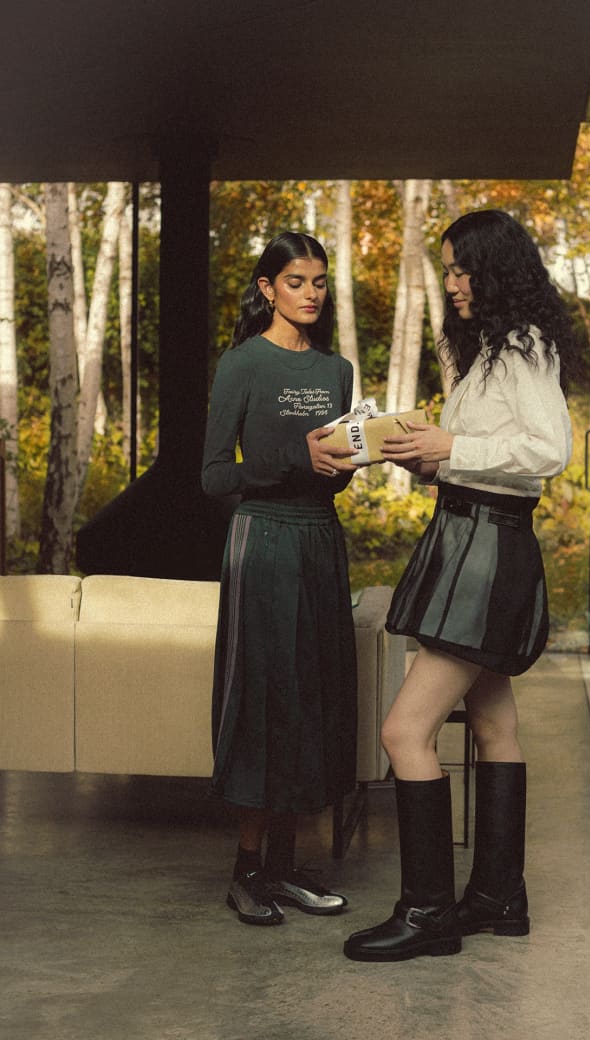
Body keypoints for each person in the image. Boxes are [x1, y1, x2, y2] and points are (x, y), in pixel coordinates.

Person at [343, 209, 576, 962]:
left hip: (486, 550)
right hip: (472, 536)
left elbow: (548, 450)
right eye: (448, 269)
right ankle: (499, 899)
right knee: (492, 728)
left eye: (459, 268)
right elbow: (490, 454)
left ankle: (427, 914)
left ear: (493, 268)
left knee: (403, 732)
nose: (451, 283)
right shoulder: (489, 353)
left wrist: (454, 445)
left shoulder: (523, 348)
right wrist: (429, 458)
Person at [202, 231, 358, 926]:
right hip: (261, 538)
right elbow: (212, 478)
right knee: (265, 697)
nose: (311, 293)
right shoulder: (242, 364)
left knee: (312, 696)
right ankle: (246, 873)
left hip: (320, 542)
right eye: (296, 281)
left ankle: (286, 870)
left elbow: (334, 478)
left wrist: (347, 467)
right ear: (267, 288)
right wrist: (291, 462)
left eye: (320, 281)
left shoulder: (337, 369)